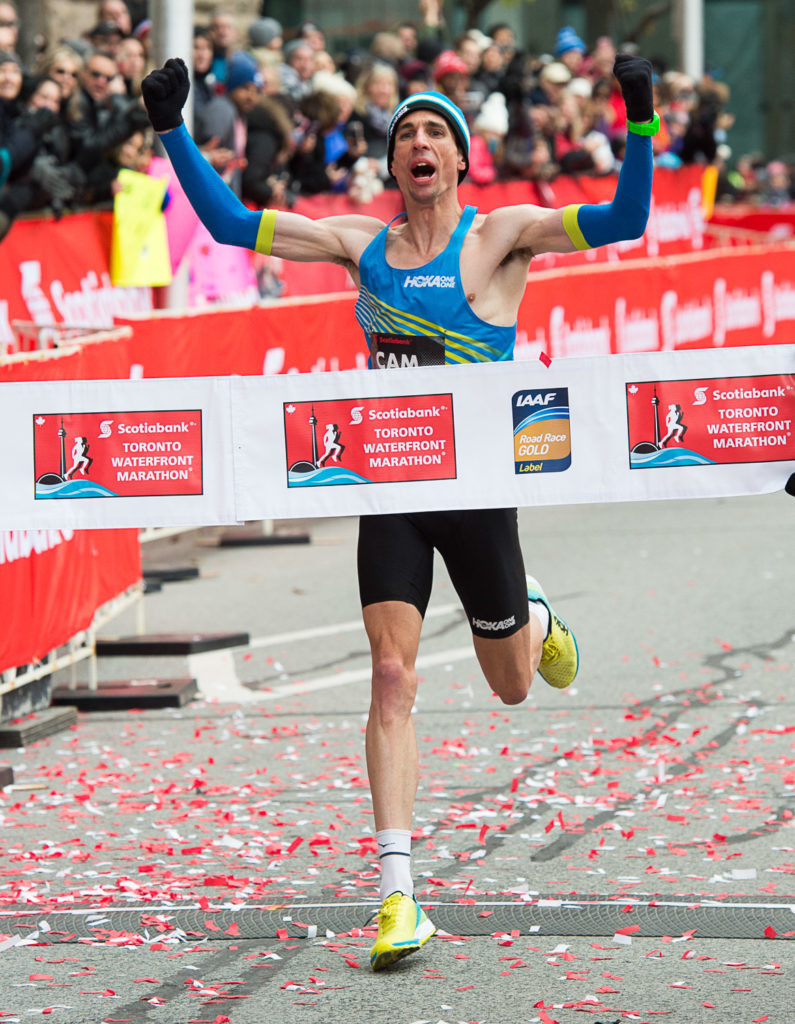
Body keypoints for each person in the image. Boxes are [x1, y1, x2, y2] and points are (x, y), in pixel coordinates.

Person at [141, 51, 656, 970]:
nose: (418, 143)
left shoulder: (500, 238)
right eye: (405, 134)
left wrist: (641, 118)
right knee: (390, 676)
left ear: (458, 159)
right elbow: (228, 225)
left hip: (477, 494)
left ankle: (532, 616)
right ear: (393, 163)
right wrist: (171, 128)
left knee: (511, 684)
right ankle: (397, 894)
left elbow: (625, 220)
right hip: (393, 490)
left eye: (434, 133)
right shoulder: (358, 246)